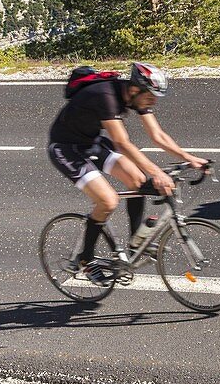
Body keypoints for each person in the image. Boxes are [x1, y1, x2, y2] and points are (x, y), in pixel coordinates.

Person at [47, 62, 207, 283]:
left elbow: (157, 135)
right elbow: (122, 143)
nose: (154, 101)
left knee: (138, 180)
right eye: (151, 96)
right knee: (108, 201)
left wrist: (190, 159)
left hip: (92, 144)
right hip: (65, 148)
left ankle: (135, 242)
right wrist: (158, 173)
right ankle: (86, 259)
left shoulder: (137, 95)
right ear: (134, 89)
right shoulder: (105, 95)